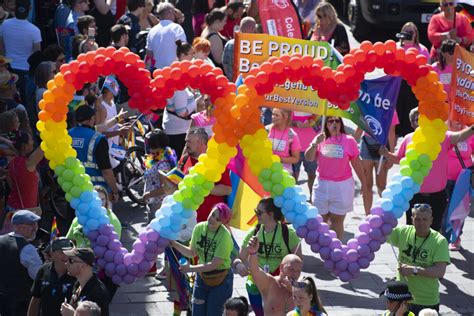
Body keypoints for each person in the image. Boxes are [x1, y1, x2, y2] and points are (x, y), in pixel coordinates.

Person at [381, 107, 474, 231]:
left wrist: (472, 128)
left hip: (437, 196)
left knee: (434, 233)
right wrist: (387, 154)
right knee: (412, 231)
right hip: (413, 195)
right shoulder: (408, 138)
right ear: (412, 123)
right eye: (416, 119)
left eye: (423, 118)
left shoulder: (442, 136)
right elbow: (400, 159)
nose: (420, 121)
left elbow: (460, 136)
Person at [234, 197, 302, 316]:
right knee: (259, 311)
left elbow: (299, 261)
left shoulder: (288, 233)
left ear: (271, 214)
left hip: (280, 283)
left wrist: (291, 280)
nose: (256, 215)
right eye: (256, 211)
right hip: (257, 280)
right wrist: (238, 265)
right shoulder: (254, 232)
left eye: (259, 212)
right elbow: (238, 258)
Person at [305, 116, 366, 239]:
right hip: (321, 185)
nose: (334, 123)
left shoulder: (349, 140)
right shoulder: (320, 138)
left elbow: (356, 164)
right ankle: (324, 248)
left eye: (337, 121)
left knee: (336, 222)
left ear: (341, 123)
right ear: (326, 124)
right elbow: (309, 158)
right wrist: (314, 144)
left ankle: (336, 251)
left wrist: (364, 183)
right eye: (330, 121)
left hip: (342, 187)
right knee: (320, 222)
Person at [169, 204, 234, 316]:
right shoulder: (199, 228)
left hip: (221, 279)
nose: (212, 219)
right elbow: (192, 252)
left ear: (222, 223)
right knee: (197, 313)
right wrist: (174, 244)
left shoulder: (225, 237)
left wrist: (191, 268)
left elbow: (214, 264)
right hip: (202, 277)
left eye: (218, 219)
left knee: (213, 313)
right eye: (212, 215)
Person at [387, 204, 450, 315]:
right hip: (402, 299)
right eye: (417, 219)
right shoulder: (403, 232)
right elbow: (381, 233)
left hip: (426, 301)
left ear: (431, 220)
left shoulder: (439, 241)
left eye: (425, 219)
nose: (421, 223)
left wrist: (414, 270)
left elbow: (440, 272)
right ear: (412, 219)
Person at [179, 127, 232, 222]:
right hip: (185, 220)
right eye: (186, 141)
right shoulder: (184, 159)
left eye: (189, 142)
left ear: (201, 144)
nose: (186, 145)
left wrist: (202, 187)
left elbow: (227, 190)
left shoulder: (216, 162)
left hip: (209, 222)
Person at [69, 105, 120, 201]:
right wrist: (115, 191)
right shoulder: (98, 138)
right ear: (92, 119)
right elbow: (106, 171)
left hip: (73, 188)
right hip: (96, 192)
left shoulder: (68, 134)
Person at [0, 210, 43, 316]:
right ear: (20, 226)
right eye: (32, 224)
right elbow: (39, 276)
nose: (35, 228)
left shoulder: (1, 240)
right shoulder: (28, 249)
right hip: (20, 304)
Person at [355, 111, 399, 215]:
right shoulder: (366, 105)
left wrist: (391, 155)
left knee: (381, 185)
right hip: (367, 143)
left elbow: (391, 133)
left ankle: (384, 214)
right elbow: (360, 128)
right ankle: (367, 215)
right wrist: (351, 147)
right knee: (367, 184)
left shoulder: (390, 108)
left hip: (382, 146)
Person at [247, 236, 303, 316]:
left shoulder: (302, 289)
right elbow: (255, 270)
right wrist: (253, 253)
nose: (295, 274)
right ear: (281, 267)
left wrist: (294, 290)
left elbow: (313, 309)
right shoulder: (270, 283)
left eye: (298, 271)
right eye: (291, 269)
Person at [0, 0, 41, 108]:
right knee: (26, 102)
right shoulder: (35, 30)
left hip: (9, 69)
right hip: (25, 71)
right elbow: (37, 53)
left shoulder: (5, 24)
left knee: (8, 101)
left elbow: (1, 47)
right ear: (30, 9)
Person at [3, 131, 43, 233]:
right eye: (31, 140)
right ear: (25, 146)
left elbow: (11, 186)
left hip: (12, 207)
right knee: (22, 241)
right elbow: (45, 147)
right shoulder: (29, 163)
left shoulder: (13, 161)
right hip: (24, 212)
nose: (33, 143)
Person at [162, 40, 197, 158]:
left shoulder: (176, 74)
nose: (193, 58)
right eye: (191, 55)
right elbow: (182, 112)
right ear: (182, 56)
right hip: (178, 131)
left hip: (174, 127)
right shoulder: (179, 84)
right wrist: (197, 102)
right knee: (177, 166)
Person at [444, 119, 473, 250]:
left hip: (463, 179)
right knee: (445, 209)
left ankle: (456, 238)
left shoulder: (470, 132)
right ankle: (443, 238)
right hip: (445, 178)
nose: (459, 122)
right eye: (456, 120)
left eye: (461, 120)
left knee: (460, 208)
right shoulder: (444, 131)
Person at [28, 237, 77, 316]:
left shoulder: (77, 274)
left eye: (69, 252)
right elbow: (35, 299)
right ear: (52, 254)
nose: (66, 256)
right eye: (62, 252)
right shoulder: (43, 270)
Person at [61, 248, 110, 316]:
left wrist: (73, 314)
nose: (66, 263)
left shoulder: (98, 291)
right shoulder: (77, 285)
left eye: (71, 260)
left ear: (83, 265)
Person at [142, 129, 178, 221]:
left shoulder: (163, 165)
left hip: (159, 205)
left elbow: (165, 188)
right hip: (153, 201)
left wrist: (148, 194)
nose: (149, 149)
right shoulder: (157, 155)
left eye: (152, 146)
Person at [146, 2, 187, 69]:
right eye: (174, 12)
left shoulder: (152, 31)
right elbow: (183, 48)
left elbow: (149, 55)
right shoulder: (176, 28)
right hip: (174, 70)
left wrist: (149, 72)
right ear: (170, 12)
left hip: (157, 72)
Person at [267, 108, 301, 175]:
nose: (273, 117)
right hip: (266, 168)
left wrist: (278, 159)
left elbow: (296, 158)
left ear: (285, 117)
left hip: (283, 171)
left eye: (277, 115)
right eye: (273, 114)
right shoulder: (267, 130)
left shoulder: (291, 135)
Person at [222, 16, 257, 81]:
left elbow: (224, 63)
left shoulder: (230, 44)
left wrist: (230, 76)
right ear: (254, 29)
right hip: (251, 82)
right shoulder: (257, 46)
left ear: (240, 27)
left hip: (233, 82)